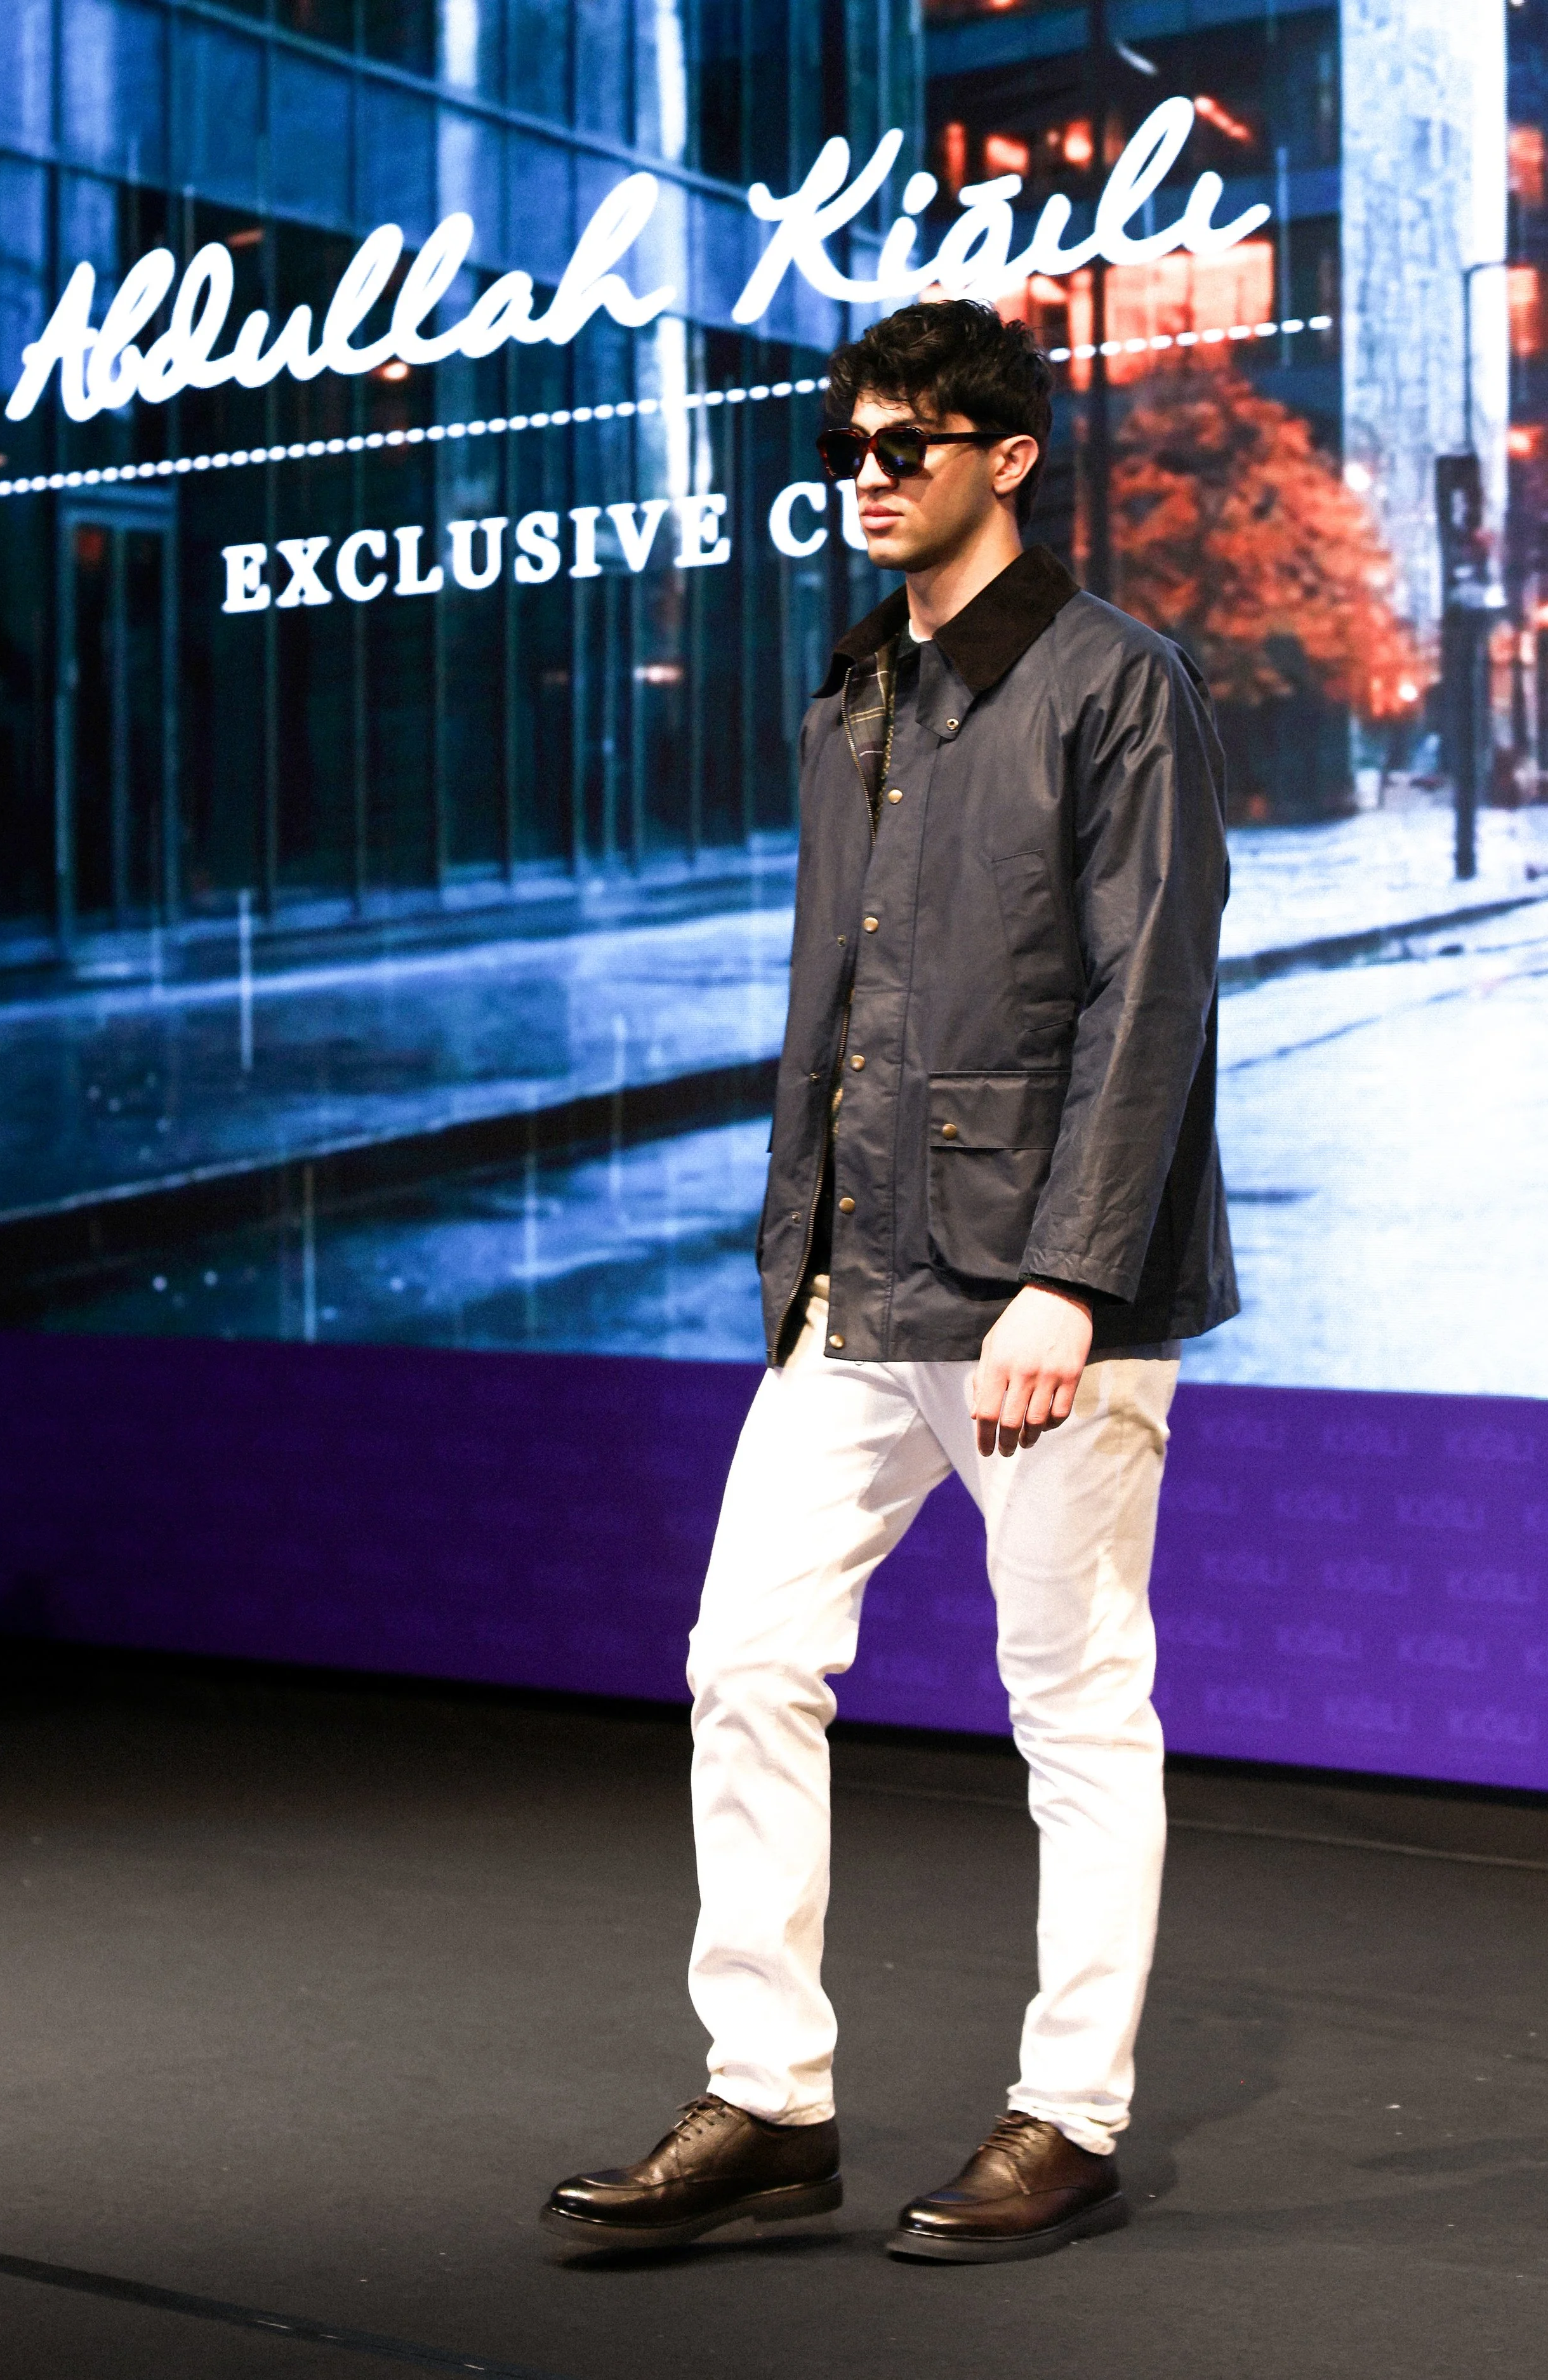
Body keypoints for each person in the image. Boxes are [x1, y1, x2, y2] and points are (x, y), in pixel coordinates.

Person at [543, 298, 1236, 2264]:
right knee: (744, 1661)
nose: (867, 471)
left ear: (1007, 459)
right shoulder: (854, 693)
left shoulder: (1116, 682)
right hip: (856, 1285)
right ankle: (770, 2094)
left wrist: (1070, 1281)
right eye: (849, 442)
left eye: (907, 441)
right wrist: (799, 1246)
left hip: (1041, 1299)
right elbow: (836, 1004)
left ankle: (1068, 2116)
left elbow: (1150, 998)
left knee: (1073, 1703)